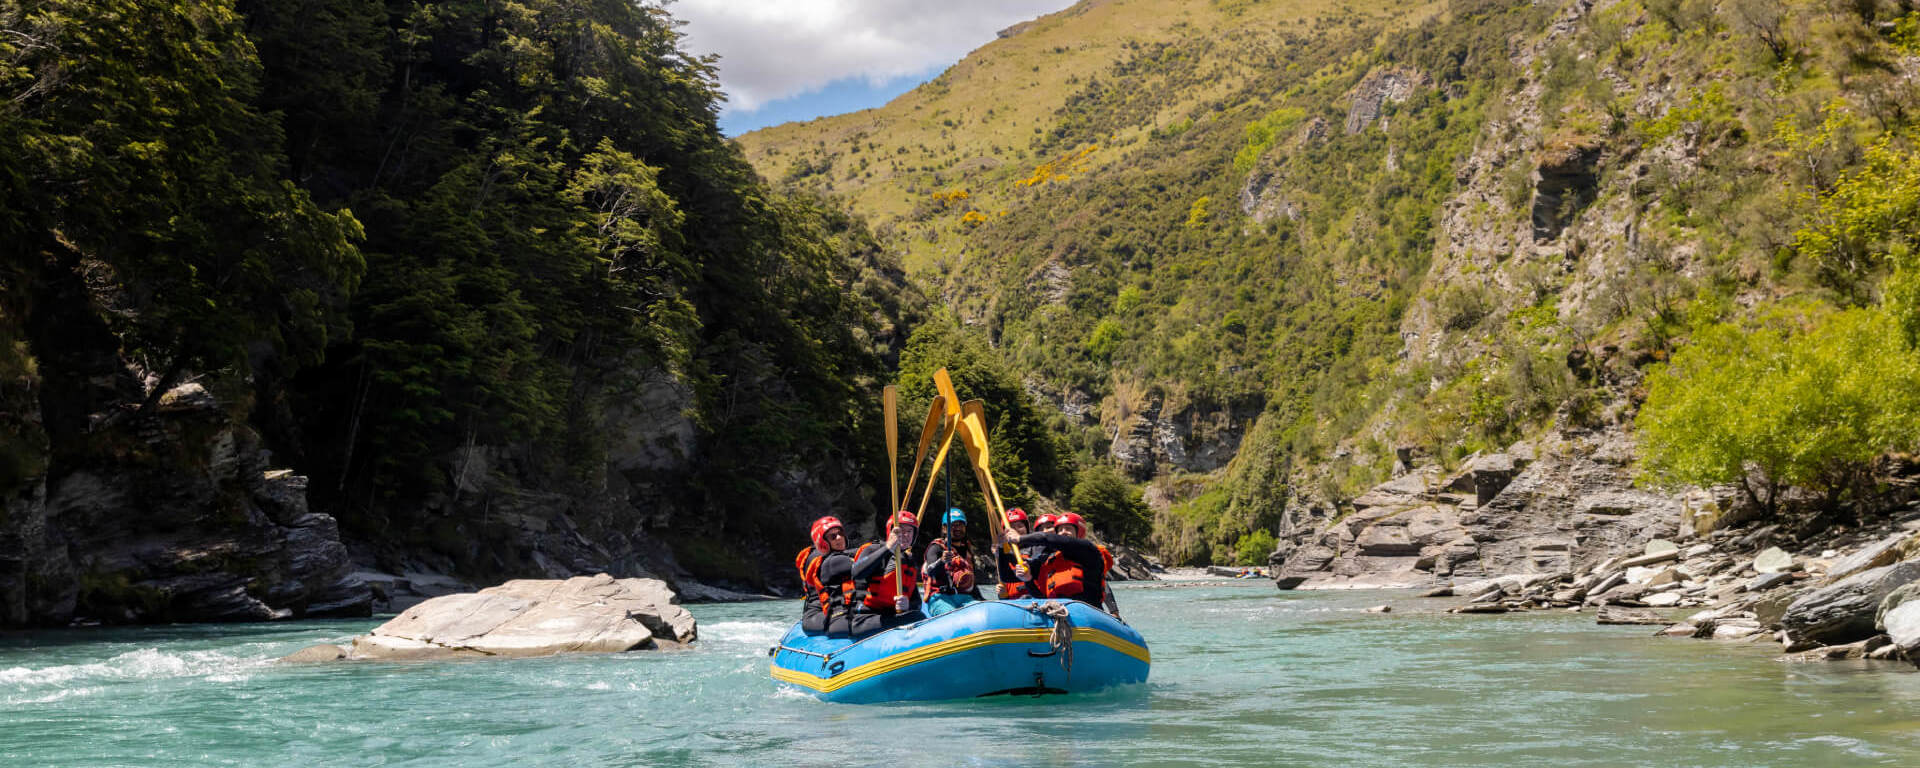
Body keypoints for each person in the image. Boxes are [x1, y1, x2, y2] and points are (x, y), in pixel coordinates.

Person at [1004, 512, 1122, 619]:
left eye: (1068, 529)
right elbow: (1007, 576)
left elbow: (1048, 538)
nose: (1063, 532)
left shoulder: (1089, 551)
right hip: (1056, 613)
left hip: (1087, 613)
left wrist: (1019, 538)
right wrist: (1001, 548)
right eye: (1059, 530)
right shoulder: (1047, 560)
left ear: (1079, 531)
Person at [848, 510, 924, 637]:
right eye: (900, 530)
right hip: (864, 618)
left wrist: (908, 605)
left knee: (918, 615)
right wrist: (888, 548)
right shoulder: (873, 549)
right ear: (891, 532)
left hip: (891, 616)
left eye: (909, 531)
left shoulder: (909, 560)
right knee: (916, 617)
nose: (905, 534)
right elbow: (857, 572)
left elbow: (917, 602)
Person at [794, 516, 856, 636]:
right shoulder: (819, 559)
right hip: (817, 615)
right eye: (833, 536)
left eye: (840, 533)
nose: (839, 538)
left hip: (838, 608)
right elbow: (844, 560)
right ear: (822, 542)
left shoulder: (841, 555)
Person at [923, 508, 983, 616]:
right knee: (952, 615)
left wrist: (981, 600)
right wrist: (942, 561)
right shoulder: (936, 547)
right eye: (953, 525)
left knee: (981, 611)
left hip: (965, 598)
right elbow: (930, 571)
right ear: (944, 528)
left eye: (960, 525)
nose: (958, 528)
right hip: (940, 598)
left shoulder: (968, 549)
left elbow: (972, 582)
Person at [996, 508, 1037, 599]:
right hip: (1014, 604)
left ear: (1027, 528)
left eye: (1020, 526)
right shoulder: (1003, 553)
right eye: (1012, 527)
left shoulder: (1036, 548)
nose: (1016, 530)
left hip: (1034, 599)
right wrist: (1002, 595)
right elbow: (1005, 578)